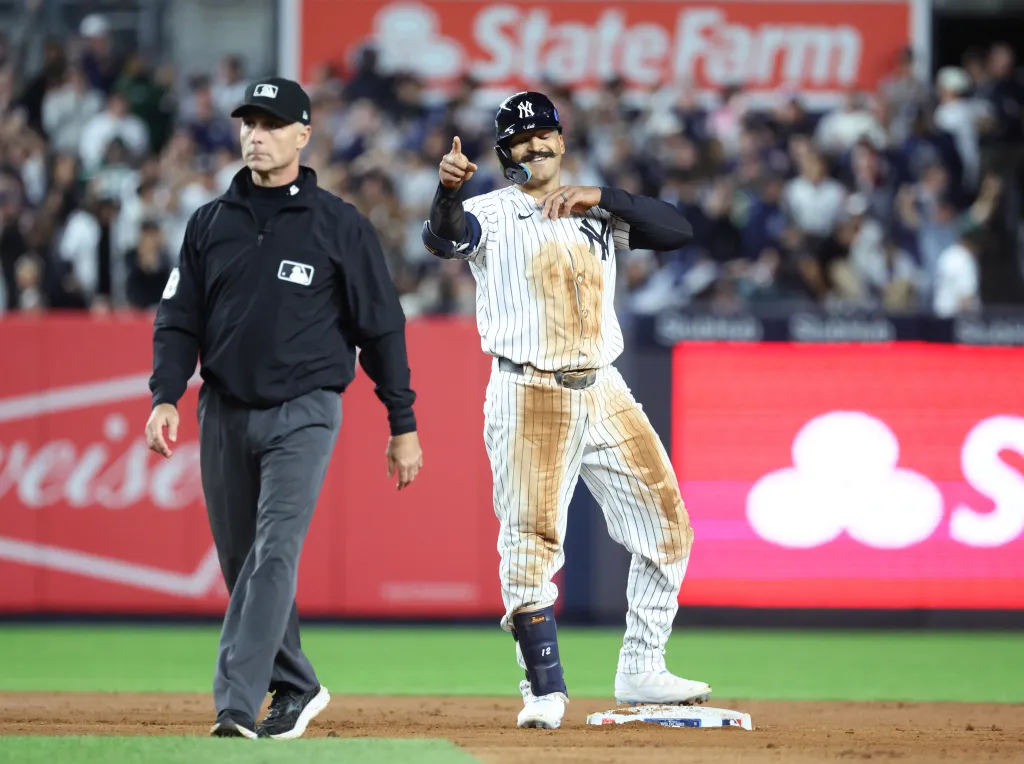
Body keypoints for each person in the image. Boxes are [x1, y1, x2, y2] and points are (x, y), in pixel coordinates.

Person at [420, 91, 710, 730]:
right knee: (531, 544)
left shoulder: (593, 209)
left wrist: (601, 196)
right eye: (521, 139)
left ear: (561, 140)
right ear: (505, 154)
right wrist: (446, 193)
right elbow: (444, 238)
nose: (536, 145)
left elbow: (679, 231)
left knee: (669, 529)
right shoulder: (489, 212)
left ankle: (642, 667)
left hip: (603, 387)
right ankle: (544, 689)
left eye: (545, 133)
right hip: (529, 389)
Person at [144, 77, 423, 740]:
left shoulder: (339, 224)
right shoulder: (209, 222)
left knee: (273, 553)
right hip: (223, 409)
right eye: (248, 123)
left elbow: (382, 329)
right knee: (242, 563)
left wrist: (403, 423)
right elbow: (178, 319)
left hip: (305, 409)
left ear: (303, 134)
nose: (256, 136)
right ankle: (297, 682)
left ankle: (236, 706)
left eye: (271, 124)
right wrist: (165, 395)